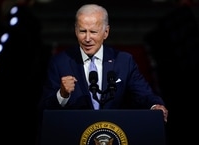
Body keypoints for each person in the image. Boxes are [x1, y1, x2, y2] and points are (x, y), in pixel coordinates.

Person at [38, 3, 168, 122]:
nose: (87, 38)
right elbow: (44, 108)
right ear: (75, 30)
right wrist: (62, 95)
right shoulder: (60, 62)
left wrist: (156, 106)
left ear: (106, 32)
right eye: (82, 31)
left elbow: (144, 95)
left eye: (93, 32)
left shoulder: (124, 61)